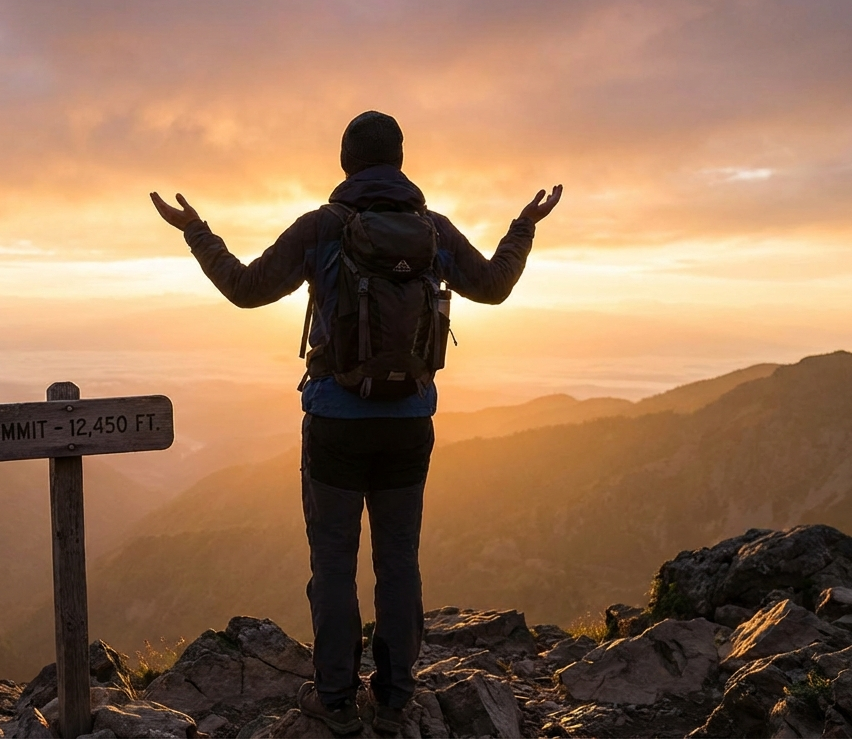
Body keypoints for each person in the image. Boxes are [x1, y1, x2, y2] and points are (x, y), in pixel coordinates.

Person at [151, 110, 560, 736]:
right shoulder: (432, 230)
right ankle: (395, 701)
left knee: (335, 565)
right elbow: (494, 286)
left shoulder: (323, 228)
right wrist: (523, 228)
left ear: (346, 162)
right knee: (400, 559)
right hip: (408, 425)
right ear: (399, 161)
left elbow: (244, 287)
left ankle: (337, 702)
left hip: (336, 423)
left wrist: (197, 231)